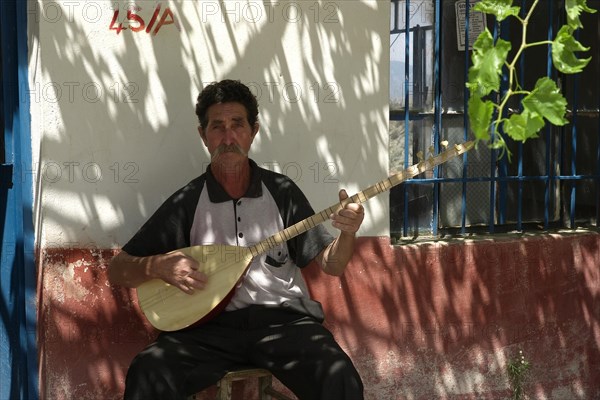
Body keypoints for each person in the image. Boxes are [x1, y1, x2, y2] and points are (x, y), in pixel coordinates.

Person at [108, 79, 365, 400]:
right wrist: (157, 266)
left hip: (283, 324)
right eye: (217, 127)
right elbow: (117, 269)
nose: (228, 138)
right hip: (207, 330)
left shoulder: (281, 192)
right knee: (148, 372)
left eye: (237, 125)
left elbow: (332, 264)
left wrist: (348, 232)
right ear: (203, 135)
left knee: (338, 376)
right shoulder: (188, 201)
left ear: (253, 131)